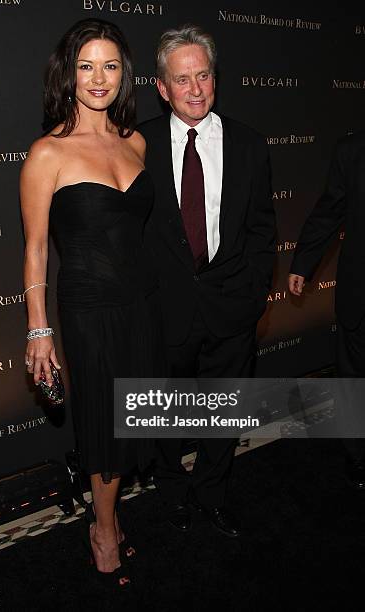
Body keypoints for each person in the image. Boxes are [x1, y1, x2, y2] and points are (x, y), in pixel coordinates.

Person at [20, 18, 163, 587]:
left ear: (124, 73)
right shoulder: (47, 153)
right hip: (89, 308)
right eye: (86, 65)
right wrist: (38, 330)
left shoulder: (136, 142)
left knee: (135, 418)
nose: (98, 78)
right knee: (106, 423)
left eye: (110, 65)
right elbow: (33, 252)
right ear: (68, 73)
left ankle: (111, 514)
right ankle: (103, 530)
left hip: (142, 303)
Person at [138, 25, 276, 534]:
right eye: (182, 80)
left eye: (203, 76)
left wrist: (255, 292)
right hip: (164, 308)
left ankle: (213, 492)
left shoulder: (250, 144)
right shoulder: (137, 145)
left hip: (232, 306)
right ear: (161, 86)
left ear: (215, 77)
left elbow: (263, 227)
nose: (195, 90)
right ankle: (172, 492)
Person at [289, 130, 365, 490]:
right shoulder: (351, 149)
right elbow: (329, 210)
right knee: (352, 380)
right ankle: (358, 456)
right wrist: (303, 263)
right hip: (359, 292)